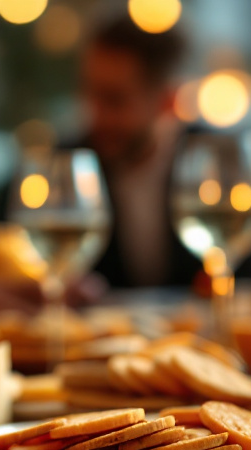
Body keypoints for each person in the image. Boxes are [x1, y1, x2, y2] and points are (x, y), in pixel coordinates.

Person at [78, 16, 195, 288]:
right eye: (90, 94)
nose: (97, 115)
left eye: (114, 99)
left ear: (168, 101)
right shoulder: (67, 164)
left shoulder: (212, 162)